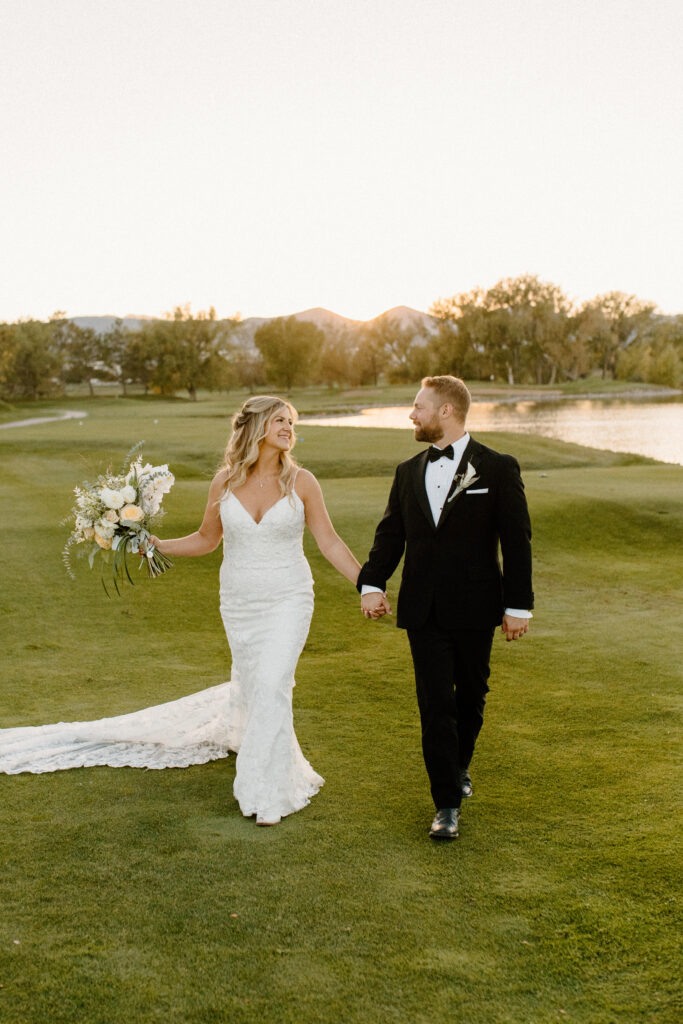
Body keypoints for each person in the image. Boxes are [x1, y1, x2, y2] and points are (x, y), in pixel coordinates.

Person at [0, 396, 361, 827]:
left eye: (291, 421)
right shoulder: (224, 483)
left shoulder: (302, 482)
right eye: (280, 420)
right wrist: (158, 545)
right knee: (258, 684)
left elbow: (330, 542)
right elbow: (208, 539)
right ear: (256, 428)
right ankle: (260, 758)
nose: (289, 427)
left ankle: (267, 792)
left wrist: (367, 585)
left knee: (272, 682)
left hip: (290, 597)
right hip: (240, 603)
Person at [358, 375, 533, 840]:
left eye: (419, 406)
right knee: (436, 704)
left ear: (446, 412)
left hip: (478, 607)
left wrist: (519, 606)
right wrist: (371, 583)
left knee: (470, 698)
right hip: (424, 610)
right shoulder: (406, 471)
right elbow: (390, 537)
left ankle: (458, 766)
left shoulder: (497, 468)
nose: (412, 414)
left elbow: (517, 543)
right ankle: (446, 805)